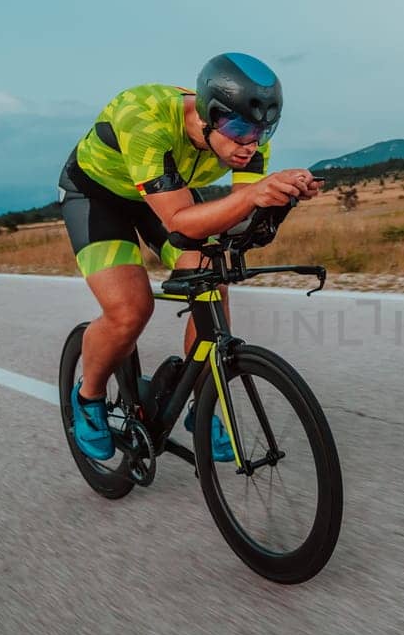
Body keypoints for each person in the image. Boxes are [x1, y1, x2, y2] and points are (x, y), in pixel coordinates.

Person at [58, 52, 321, 462]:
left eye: (262, 132)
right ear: (206, 114)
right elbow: (181, 222)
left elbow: (236, 221)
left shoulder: (249, 143)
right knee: (130, 310)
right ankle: (88, 397)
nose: (248, 145)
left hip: (163, 194)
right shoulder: (144, 117)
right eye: (237, 128)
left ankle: (203, 401)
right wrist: (254, 192)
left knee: (209, 277)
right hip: (98, 198)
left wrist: (278, 197)